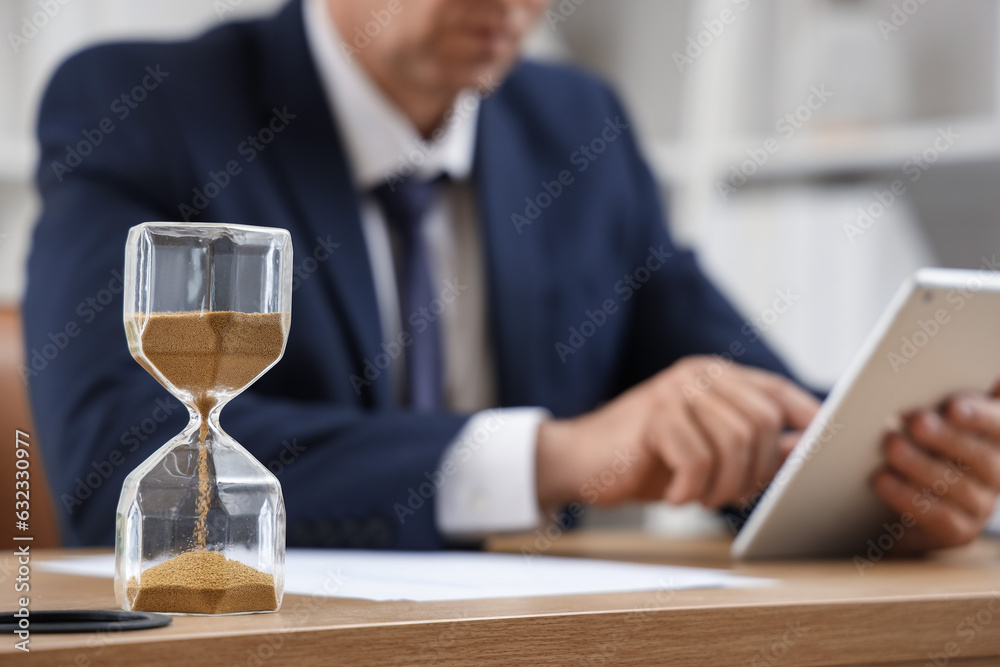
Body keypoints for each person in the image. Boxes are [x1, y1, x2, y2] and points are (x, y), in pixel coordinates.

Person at [24, 0, 1000, 554]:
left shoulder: (575, 128)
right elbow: (120, 460)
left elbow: (746, 401)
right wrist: (553, 458)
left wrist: (886, 477)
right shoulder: (147, 107)